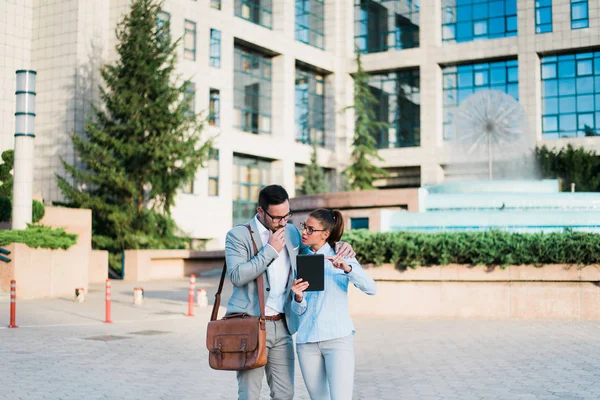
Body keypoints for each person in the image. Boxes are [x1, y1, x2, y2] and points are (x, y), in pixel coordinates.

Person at [224, 185, 356, 400]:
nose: (283, 222)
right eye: (277, 218)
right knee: (249, 394)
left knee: (285, 394)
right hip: (250, 325)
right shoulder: (238, 235)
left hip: (283, 326)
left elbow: (314, 253)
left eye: (287, 216)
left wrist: (338, 244)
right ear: (260, 211)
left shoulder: (292, 232)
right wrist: (271, 250)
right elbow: (237, 276)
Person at [290, 208, 376, 400]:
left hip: (337, 339)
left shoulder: (343, 256)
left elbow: (371, 288)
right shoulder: (300, 261)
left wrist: (347, 268)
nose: (304, 232)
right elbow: (298, 311)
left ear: (326, 234)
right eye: (305, 226)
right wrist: (297, 297)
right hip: (307, 342)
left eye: (311, 229)